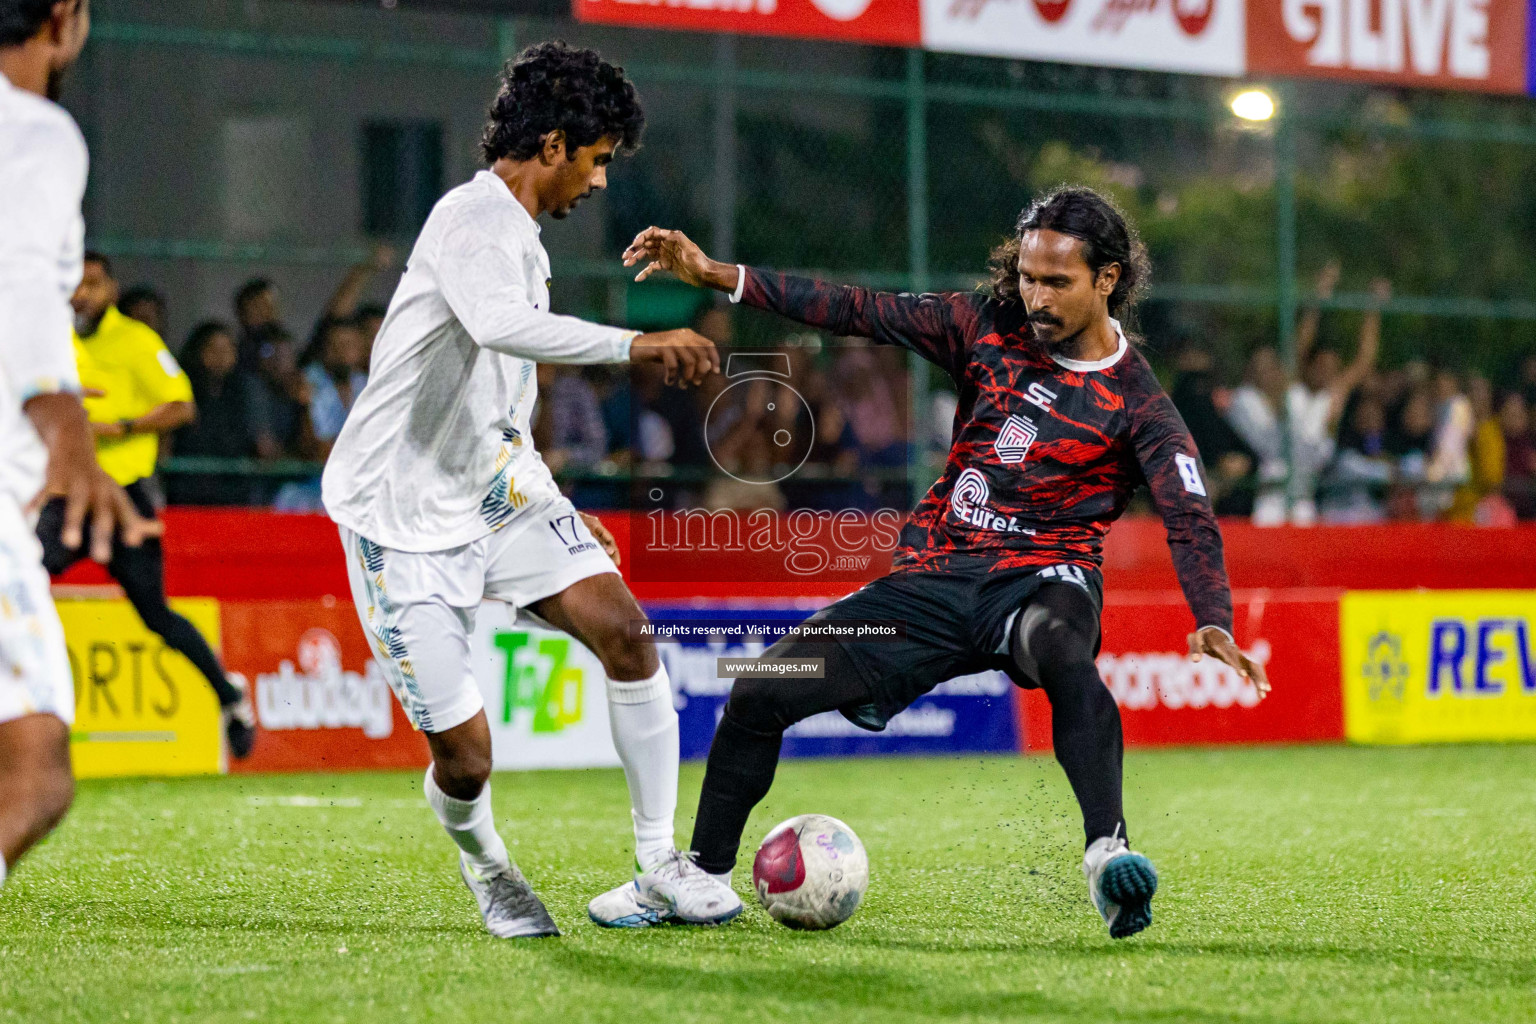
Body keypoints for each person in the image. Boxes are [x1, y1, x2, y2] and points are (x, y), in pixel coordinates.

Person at [622, 185, 1270, 939]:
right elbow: (855, 307)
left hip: (1042, 580)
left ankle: (1106, 854)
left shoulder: (1140, 405)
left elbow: (1189, 514)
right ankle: (702, 878)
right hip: (931, 584)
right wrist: (720, 275)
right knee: (763, 687)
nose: (1036, 296)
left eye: (1057, 282)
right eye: (1028, 277)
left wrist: (1213, 617)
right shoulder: (983, 328)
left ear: (1109, 280)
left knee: (1061, 646)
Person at [321, 41, 735, 939]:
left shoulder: (522, 238)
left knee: (626, 632)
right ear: (553, 144)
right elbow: (505, 327)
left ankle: (660, 862)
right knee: (467, 761)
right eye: (596, 161)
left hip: (499, 496)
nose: (597, 183)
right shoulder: (471, 220)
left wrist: (546, 496)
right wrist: (639, 346)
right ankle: (487, 865)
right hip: (400, 519)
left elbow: (499, 399)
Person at [0, 0, 156, 888]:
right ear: (63, 17)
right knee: (34, 774)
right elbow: (21, 285)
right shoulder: (34, 131)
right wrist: (69, 434)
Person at [37, 252, 257, 758]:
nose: (83, 294)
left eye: (94, 284)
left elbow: (182, 405)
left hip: (126, 502)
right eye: (76, 284)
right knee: (18, 586)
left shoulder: (136, 341)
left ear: (111, 289)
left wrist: (123, 428)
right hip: (68, 496)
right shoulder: (50, 340)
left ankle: (231, 698)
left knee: (156, 616)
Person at [166, 320, 262, 505]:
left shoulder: (244, 392)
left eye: (227, 350)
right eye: (213, 350)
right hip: (188, 494)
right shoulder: (182, 390)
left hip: (234, 495)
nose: (221, 357)